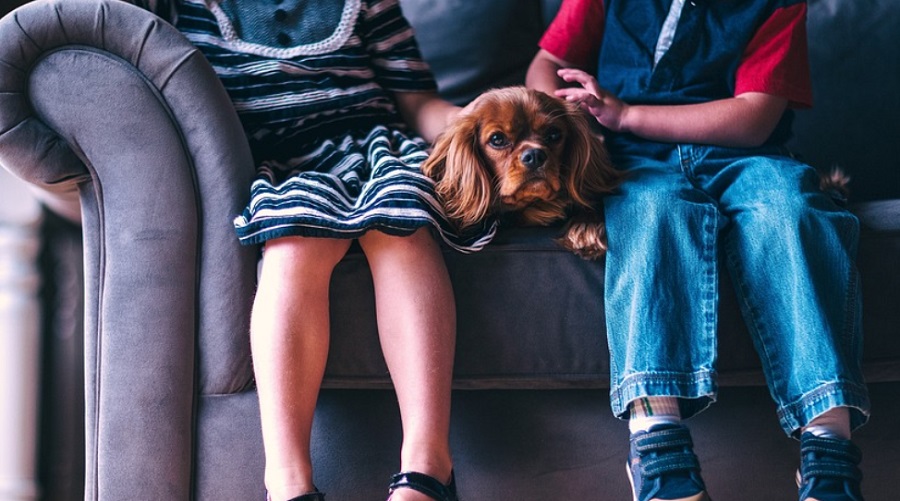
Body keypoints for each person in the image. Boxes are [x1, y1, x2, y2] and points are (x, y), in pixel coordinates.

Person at [131, 1, 492, 500]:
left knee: (401, 224)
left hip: (375, 146)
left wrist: (475, 124)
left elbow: (418, 101)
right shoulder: (184, 8)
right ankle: (288, 483)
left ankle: (427, 468)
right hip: (285, 161)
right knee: (294, 242)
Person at [526, 1, 870, 500]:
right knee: (652, 214)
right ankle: (658, 448)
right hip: (638, 164)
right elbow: (545, 62)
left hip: (744, 157)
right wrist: (561, 117)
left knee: (792, 212)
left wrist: (626, 114)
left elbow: (754, 118)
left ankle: (828, 452)